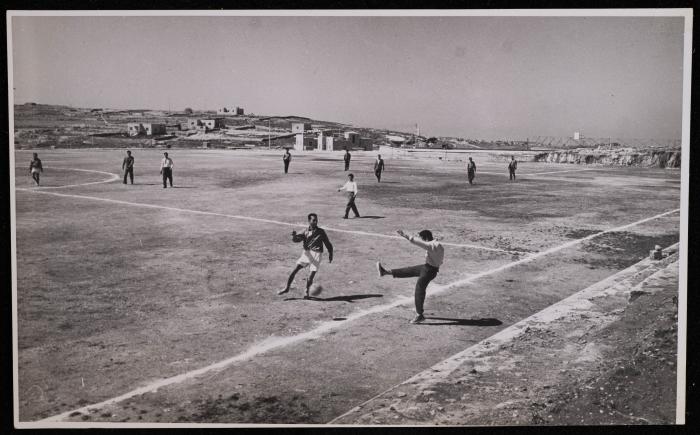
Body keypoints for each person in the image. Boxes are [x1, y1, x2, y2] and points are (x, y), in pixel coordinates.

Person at [376, 229, 444, 324]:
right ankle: (385, 272)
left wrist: (404, 235)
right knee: (409, 270)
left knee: (419, 290)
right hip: (429, 268)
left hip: (429, 271)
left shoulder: (431, 245)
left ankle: (419, 315)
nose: (422, 240)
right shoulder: (437, 244)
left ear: (425, 238)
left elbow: (415, 241)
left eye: (422, 238)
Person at [278, 213, 334, 298]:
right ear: (309, 221)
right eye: (313, 220)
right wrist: (294, 236)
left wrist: (330, 254)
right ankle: (287, 288)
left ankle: (307, 291)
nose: (315, 222)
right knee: (294, 270)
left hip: (317, 254)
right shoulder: (305, 231)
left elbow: (328, 244)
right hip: (307, 253)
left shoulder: (321, 232)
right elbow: (296, 240)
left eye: (316, 220)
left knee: (310, 276)